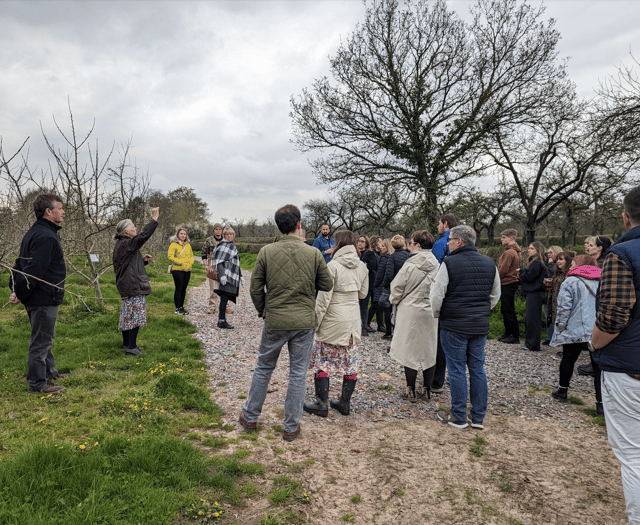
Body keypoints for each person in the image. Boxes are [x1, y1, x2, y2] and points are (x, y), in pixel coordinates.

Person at [240, 205, 333, 442]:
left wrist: (265, 310)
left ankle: (250, 416)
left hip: (276, 320)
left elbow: (255, 288)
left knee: (263, 368)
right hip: (303, 322)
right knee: (298, 374)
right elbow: (327, 284)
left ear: (278, 227)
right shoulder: (313, 253)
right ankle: (291, 426)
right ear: (299, 225)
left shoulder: (266, 252)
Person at [590, 186, 640, 524]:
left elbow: (614, 312)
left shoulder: (622, 254)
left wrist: (594, 343)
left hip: (629, 367)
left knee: (633, 454)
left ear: (625, 217)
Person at [430, 225, 501, 429]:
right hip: (478, 325)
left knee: (457, 369)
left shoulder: (449, 263)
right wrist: (482, 311)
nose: (448, 243)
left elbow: (436, 295)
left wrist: (438, 315)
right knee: (477, 368)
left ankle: (459, 415)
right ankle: (478, 417)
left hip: (454, 324)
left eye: (450, 240)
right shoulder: (489, 263)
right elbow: (495, 295)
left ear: (459, 241)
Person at [9, 194, 69, 394]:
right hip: (43, 296)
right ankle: (37, 384)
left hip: (40, 295)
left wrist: (16, 290)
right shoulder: (45, 236)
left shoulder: (36, 232)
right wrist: (20, 292)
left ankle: (49, 371)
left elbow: (19, 264)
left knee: (45, 336)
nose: (63, 211)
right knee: (41, 340)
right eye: (60, 208)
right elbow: (33, 270)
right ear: (49, 212)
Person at [304, 230, 368, 418]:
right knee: (350, 361)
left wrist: (316, 322)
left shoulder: (332, 266)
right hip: (352, 320)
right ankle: (344, 403)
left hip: (333, 319)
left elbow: (323, 300)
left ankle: (322, 403)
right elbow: (363, 294)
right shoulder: (362, 266)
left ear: (338, 243)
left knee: (323, 361)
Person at [389, 230, 439, 402]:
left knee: (410, 350)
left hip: (410, 311)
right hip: (430, 312)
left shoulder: (409, 265)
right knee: (429, 349)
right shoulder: (438, 266)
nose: (409, 246)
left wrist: (394, 301)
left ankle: (410, 389)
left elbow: (396, 288)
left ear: (417, 245)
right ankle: (426, 389)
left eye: (411, 243)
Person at [550, 255, 602, 414]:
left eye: (572, 263)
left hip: (575, 329)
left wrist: (559, 327)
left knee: (568, 359)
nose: (570, 266)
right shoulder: (603, 279)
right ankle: (600, 404)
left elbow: (564, 307)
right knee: (598, 367)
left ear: (579, 264)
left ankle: (562, 390)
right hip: (597, 330)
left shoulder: (570, 281)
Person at [112, 207, 160, 356]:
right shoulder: (128, 243)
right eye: (133, 227)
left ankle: (127, 343)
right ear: (127, 232)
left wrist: (142, 260)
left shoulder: (122, 244)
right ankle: (132, 348)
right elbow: (143, 236)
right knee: (135, 316)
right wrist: (154, 219)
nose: (136, 228)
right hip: (133, 285)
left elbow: (126, 264)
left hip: (126, 283)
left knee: (127, 314)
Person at [210, 227, 243, 330]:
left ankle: (222, 320)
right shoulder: (222, 245)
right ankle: (221, 320)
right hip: (225, 276)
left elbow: (235, 263)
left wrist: (240, 276)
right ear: (224, 235)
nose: (229, 236)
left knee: (226, 297)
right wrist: (222, 275)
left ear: (233, 236)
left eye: (231, 234)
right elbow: (219, 262)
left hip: (231, 276)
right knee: (224, 298)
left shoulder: (232, 246)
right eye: (227, 234)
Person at [519, 242, 548, 352]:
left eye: (531, 248)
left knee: (532, 319)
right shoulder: (538, 262)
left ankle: (532, 344)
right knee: (532, 319)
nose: (529, 250)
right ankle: (531, 342)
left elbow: (529, 277)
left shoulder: (536, 263)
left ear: (537, 250)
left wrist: (522, 271)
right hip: (536, 293)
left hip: (535, 293)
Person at [381, 235, 410, 339]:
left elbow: (388, 274)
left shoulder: (392, 257)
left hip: (393, 286)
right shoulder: (408, 256)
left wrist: (385, 285)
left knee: (388, 309)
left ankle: (389, 332)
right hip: (406, 286)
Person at [497, 229, 522, 344]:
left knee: (508, 309)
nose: (501, 239)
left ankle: (514, 335)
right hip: (511, 282)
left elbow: (503, 269)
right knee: (506, 309)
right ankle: (508, 333)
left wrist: (496, 277)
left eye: (503, 237)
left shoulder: (509, 252)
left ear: (511, 238)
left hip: (507, 282)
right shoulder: (515, 251)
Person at [547, 251, 575, 352]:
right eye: (558, 259)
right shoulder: (558, 273)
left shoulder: (570, 275)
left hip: (563, 304)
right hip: (555, 303)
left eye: (561, 259)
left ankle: (567, 351)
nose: (558, 261)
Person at [168, 227, 194, 315]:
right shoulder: (174, 244)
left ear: (186, 235)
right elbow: (170, 256)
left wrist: (190, 263)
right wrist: (180, 262)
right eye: (181, 234)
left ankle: (181, 307)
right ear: (178, 235)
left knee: (184, 289)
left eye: (184, 234)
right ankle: (177, 308)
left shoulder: (188, 245)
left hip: (187, 269)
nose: (183, 235)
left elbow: (191, 256)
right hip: (177, 269)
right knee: (179, 288)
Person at [357, 235, 378, 336]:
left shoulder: (370, 254)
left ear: (366, 243)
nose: (360, 243)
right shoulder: (355, 253)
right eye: (359, 241)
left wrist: (363, 266)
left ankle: (364, 327)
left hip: (367, 283)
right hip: (356, 283)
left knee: (364, 306)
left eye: (362, 241)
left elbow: (372, 266)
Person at [201, 223, 224, 314]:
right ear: (214, 230)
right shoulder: (209, 240)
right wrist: (206, 265)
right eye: (216, 229)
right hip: (212, 266)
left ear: (221, 231)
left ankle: (225, 306)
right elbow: (203, 254)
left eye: (219, 229)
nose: (218, 231)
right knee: (213, 288)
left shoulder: (226, 240)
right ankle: (212, 307)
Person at [372, 238, 394, 334]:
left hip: (383, 285)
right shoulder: (392, 257)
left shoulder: (384, 258)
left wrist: (376, 284)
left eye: (383, 246)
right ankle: (382, 325)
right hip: (391, 285)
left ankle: (386, 330)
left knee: (381, 306)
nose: (381, 247)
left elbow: (380, 274)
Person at [543, 245, 563, 344]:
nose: (549, 254)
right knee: (548, 315)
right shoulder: (547, 263)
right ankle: (549, 337)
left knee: (555, 316)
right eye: (548, 253)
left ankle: (554, 337)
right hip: (547, 293)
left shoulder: (557, 265)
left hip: (555, 294)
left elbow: (550, 274)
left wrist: (550, 265)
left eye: (551, 252)